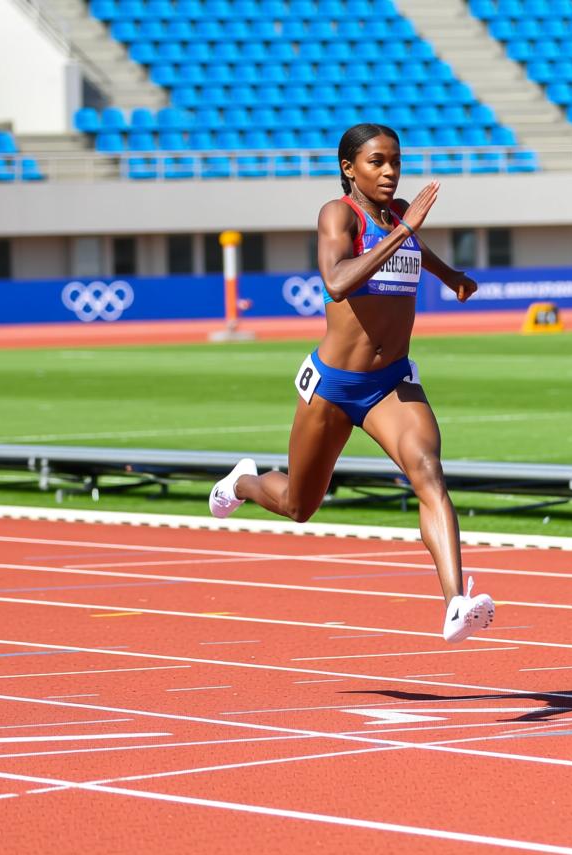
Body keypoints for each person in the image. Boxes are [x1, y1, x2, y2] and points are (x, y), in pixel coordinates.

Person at [208, 122, 495, 643]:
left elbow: (415, 250)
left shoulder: (399, 215)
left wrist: (450, 275)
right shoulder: (338, 215)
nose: (390, 172)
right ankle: (244, 482)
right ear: (349, 168)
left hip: (391, 382)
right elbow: (337, 282)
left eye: (396, 161)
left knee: (428, 473)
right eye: (377, 162)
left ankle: (456, 601)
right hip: (334, 386)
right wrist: (404, 231)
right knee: (299, 506)